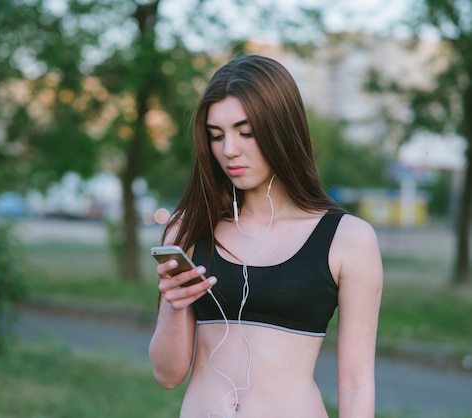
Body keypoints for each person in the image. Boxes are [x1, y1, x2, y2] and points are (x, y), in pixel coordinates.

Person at [148, 55, 383, 418]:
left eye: (246, 132)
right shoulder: (191, 228)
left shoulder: (347, 239)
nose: (229, 150)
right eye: (216, 135)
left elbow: (355, 384)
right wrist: (174, 302)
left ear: (281, 129)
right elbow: (167, 375)